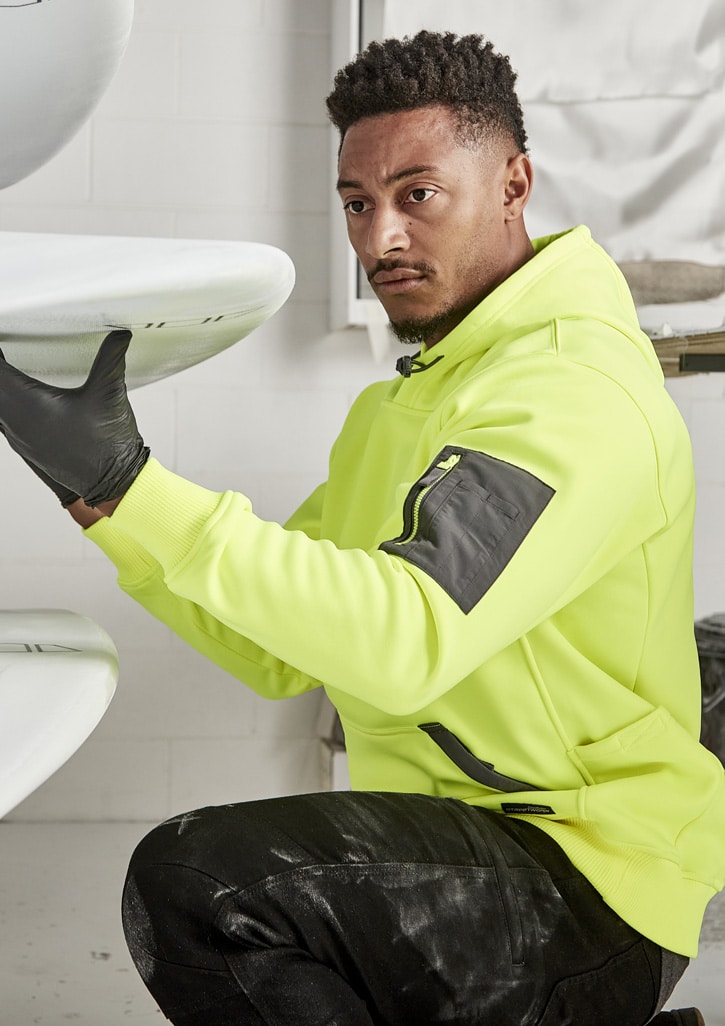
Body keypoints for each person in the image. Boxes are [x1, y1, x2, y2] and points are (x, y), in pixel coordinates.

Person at [0, 30, 722, 1026]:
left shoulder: (569, 390)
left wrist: (133, 484)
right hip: (463, 846)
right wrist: (101, 501)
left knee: (208, 885)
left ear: (512, 185)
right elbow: (275, 652)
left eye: (417, 194)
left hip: (584, 885)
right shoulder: (405, 405)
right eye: (355, 202)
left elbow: (404, 638)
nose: (379, 238)